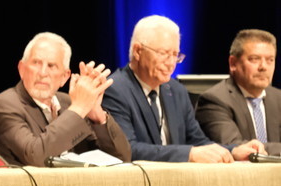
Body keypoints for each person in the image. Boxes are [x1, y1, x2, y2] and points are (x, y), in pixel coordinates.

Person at [102, 15, 263, 163]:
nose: (171, 63)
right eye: (164, 53)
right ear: (138, 51)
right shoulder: (114, 89)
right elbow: (128, 149)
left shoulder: (176, 90)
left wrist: (233, 151)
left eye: (175, 55)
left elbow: (198, 142)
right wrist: (189, 154)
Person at [0, 32, 132, 166]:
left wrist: (97, 116)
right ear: (22, 69)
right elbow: (35, 156)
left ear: (64, 77)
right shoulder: (5, 105)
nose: (43, 73)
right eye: (36, 63)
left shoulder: (68, 103)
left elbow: (122, 157)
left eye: (51, 66)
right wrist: (79, 108)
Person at [195, 29, 280, 155]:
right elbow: (236, 147)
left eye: (270, 60)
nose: (263, 67)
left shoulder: (278, 98)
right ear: (233, 63)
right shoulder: (214, 100)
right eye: (254, 59)